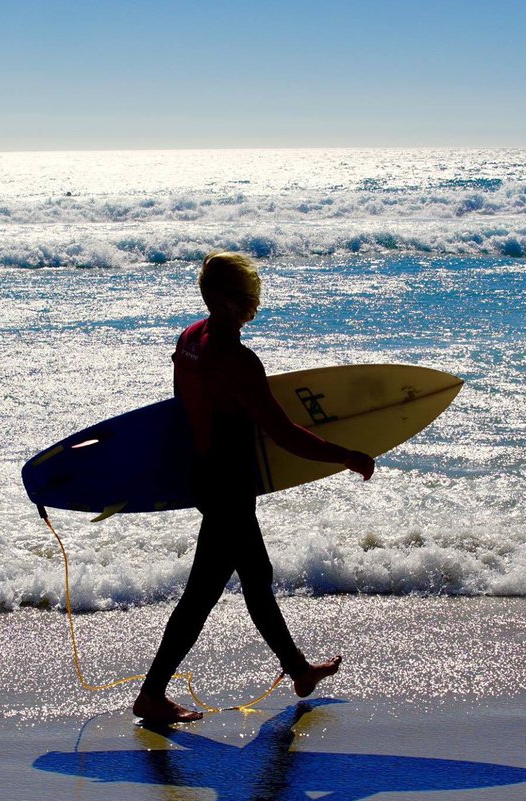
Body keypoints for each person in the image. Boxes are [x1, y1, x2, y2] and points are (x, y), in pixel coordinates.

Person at [132, 252, 376, 725]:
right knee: (203, 593)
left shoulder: (190, 338)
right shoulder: (237, 360)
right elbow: (282, 433)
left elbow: (182, 409)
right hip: (228, 483)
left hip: (206, 475)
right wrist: (345, 456)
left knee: (255, 577)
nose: (254, 303)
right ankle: (151, 695)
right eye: (247, 295)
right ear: (226, 300)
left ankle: (299, 671)